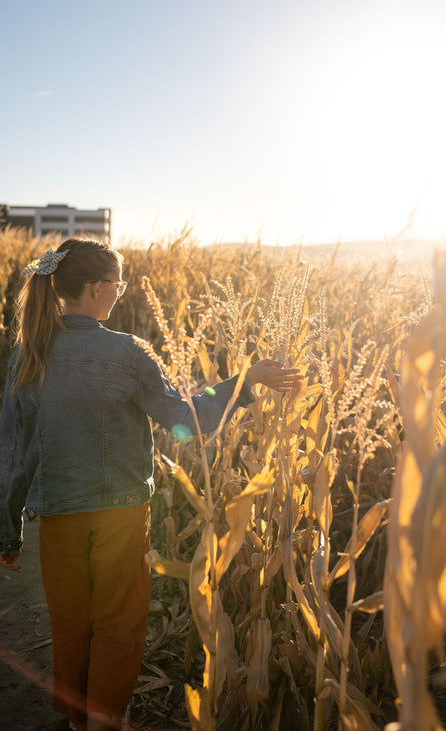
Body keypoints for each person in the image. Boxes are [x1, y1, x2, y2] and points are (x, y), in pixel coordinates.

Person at [0, 238, 302, 731]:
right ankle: (104, 721)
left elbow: (10, 451)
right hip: (121, 514)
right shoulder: (127, 353)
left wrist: (6, 532)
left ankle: (79, 720)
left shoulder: (28, 353)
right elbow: (184, 418)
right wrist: (243, 381)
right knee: (119, 620)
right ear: (97, 289)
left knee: (71, 620)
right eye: (117, 284)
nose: (120, 292)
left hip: (57, 514)